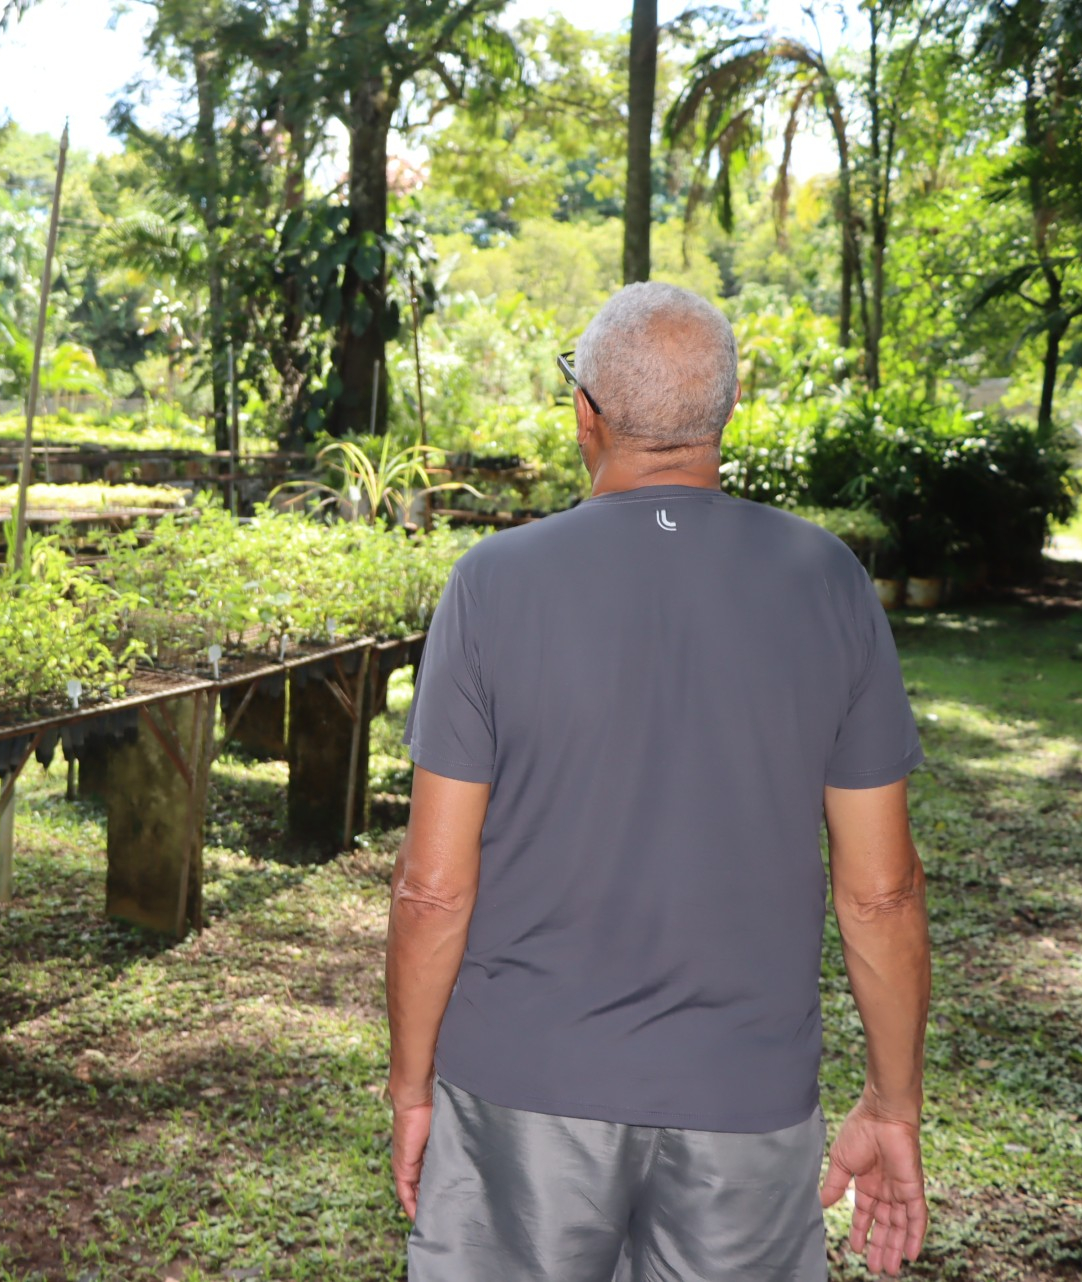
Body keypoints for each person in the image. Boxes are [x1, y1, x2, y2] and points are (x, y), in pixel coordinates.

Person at [386, 281, 932, 1280]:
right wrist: (893, 1103)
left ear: (584, 413)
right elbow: (882, 888)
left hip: (523, 1089)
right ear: (726, 409)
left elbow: (433, 887)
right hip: (747, 1104)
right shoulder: (827, 582)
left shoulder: (494, 584)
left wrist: (413, 1083)